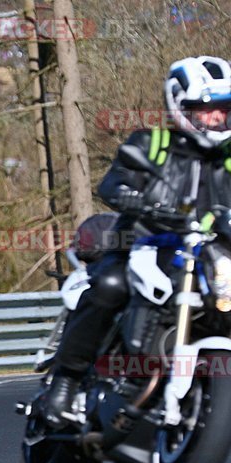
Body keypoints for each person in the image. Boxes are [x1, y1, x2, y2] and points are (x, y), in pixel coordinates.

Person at [45, 56, 231, 427]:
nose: (216, 118)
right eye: (205, 109)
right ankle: (64, 384)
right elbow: (115, 182)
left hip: (208, 257)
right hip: (146, 246)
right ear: (180, 106)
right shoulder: (154, 143)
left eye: (223, 110)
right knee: (111, 285)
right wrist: (134, 197)